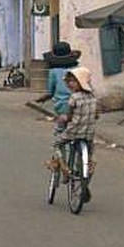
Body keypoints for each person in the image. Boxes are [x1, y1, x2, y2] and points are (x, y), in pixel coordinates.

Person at [56, 66, 98, 204]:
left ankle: (64, 169)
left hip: (73, 132)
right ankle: (85, 183)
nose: (69, 84)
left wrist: (63, 118)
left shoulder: (74, 98)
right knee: (89, 160)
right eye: (69, 81)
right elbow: (97, 115)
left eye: (73, 81)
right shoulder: (93, 97)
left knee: (57, 144)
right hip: (89, 134)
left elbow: (68, 116)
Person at [36, 41, 81, 130]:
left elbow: (50, 92)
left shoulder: (53, 72)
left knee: (60, 130)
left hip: (62, 106)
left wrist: (42, 99)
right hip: (79, 103)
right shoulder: (78, 69)